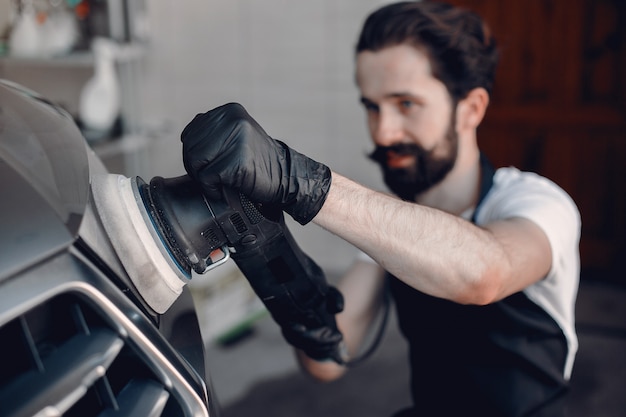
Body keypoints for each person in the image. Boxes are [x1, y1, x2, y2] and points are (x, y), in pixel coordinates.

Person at [180, 1, 581, 416]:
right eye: (372, 107)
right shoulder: (393, 227)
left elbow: (484, 272)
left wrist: (296, 179)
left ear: (472, 108)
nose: (383, 131)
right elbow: (328, 360)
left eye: (406, 104)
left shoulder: (536, 202)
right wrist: (267, 249)